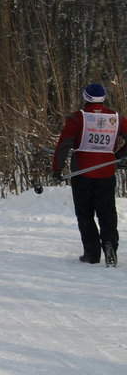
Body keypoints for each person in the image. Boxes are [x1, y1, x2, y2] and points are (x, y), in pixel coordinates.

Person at [53, 83, 127, 265]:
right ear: (103, 98)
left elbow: (63, 146)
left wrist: (57, 169)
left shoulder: (77, 119)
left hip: (82, 172)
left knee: (85, 213)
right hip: (106, 172)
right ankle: (110, 245)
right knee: (107, 212)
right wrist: (118, 156)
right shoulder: (116, 119)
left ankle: (92, 254)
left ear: (85, 97)